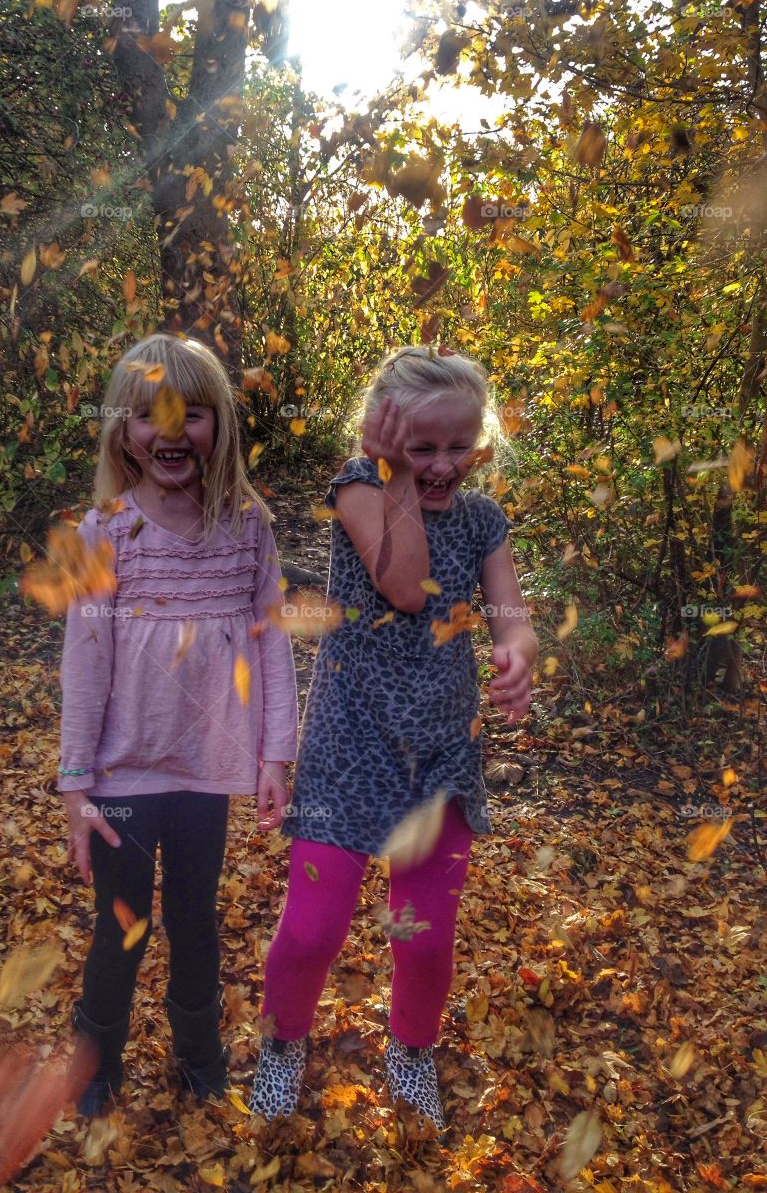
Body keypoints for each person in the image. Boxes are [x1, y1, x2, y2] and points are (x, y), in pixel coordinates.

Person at [250, 345, 537, 1128]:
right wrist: (396, 477)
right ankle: (282, 1042)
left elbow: (509, 606)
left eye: (458, 445)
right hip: (351, 740)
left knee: (424, 940)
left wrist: (519, 650)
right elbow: (406, 585)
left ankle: (410, 1049)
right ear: (384, 439)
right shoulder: (359, 488)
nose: (443, 463)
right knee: (312, 929)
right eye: (423, 446)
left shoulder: (482, 519)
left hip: (441, 751)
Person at [58, 332, 297, 1117]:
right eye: (150, 414)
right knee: (120, 927)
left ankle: (200, 1055)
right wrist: (75, 783)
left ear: (219, 423)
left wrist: (274, 756)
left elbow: (271, 646)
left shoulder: (246, 528)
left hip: (207, 772)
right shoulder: (105, 531)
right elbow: (84, 662)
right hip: (124, 773)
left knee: (195, 918)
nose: (170, 430)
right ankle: (95, 1064)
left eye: (191, 413)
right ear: (122, 429)